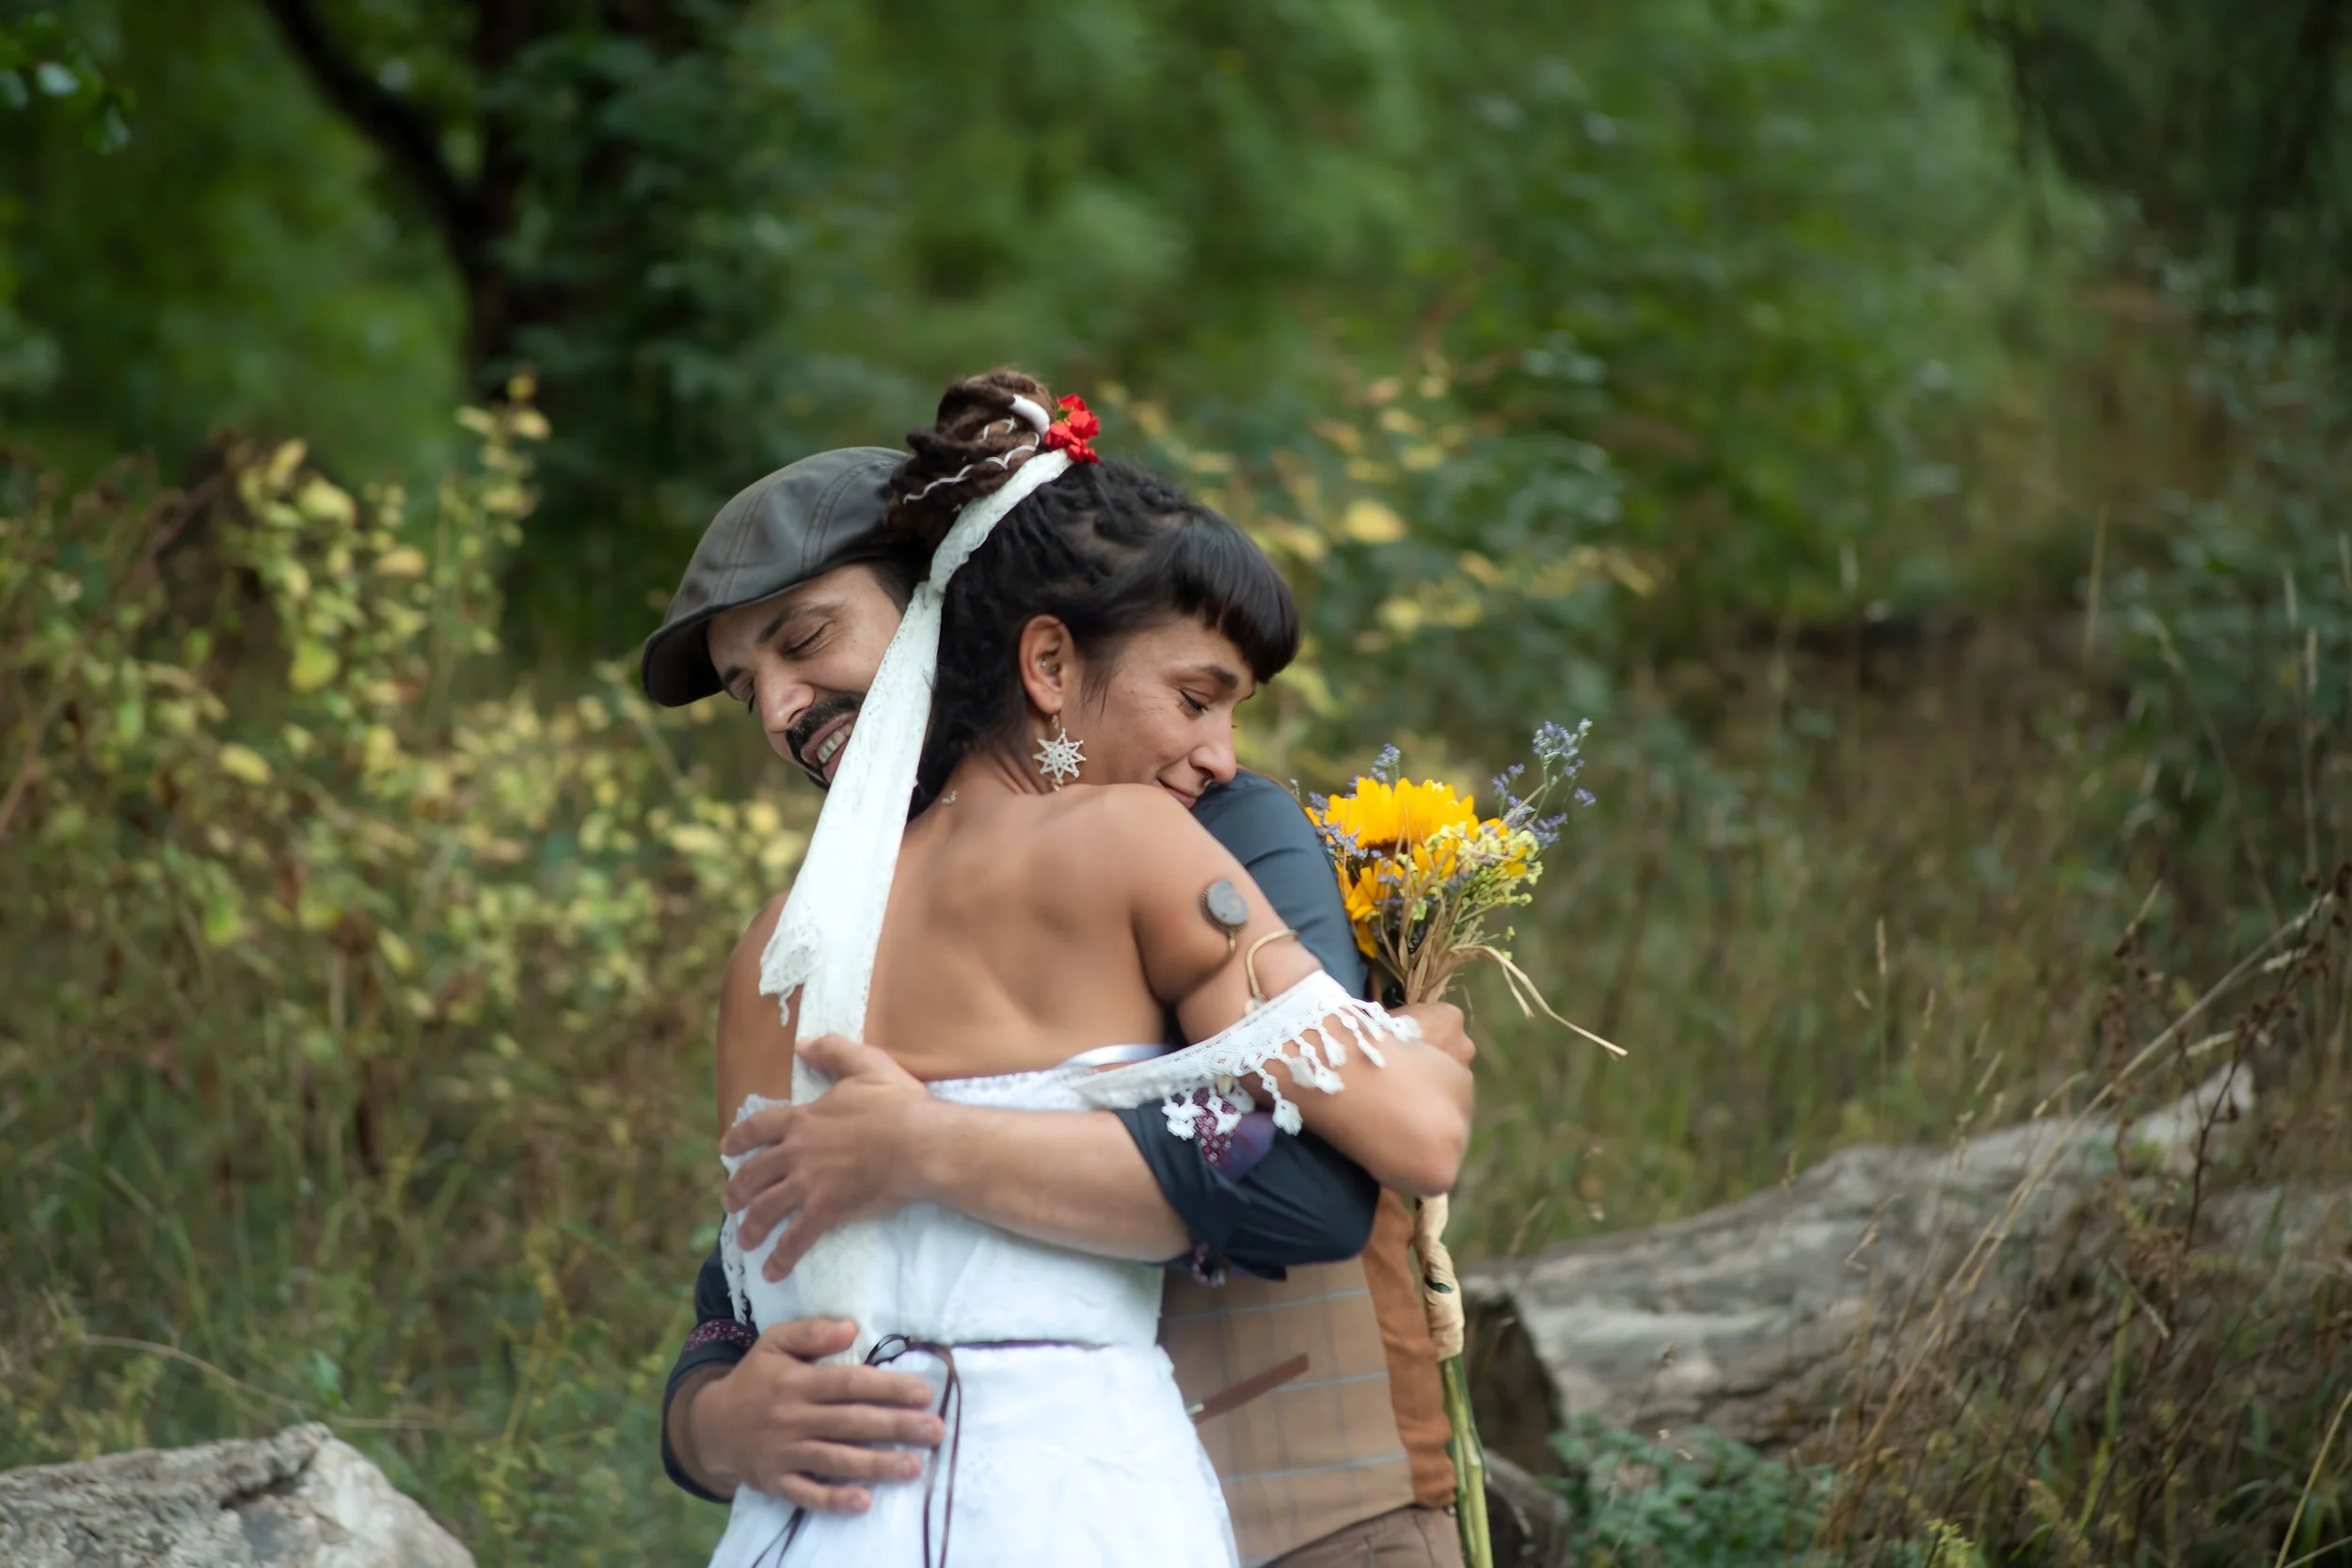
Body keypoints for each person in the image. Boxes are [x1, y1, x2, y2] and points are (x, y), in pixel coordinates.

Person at [644, 406, 1471, 1567]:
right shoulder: (1115, 841)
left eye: (805, 640)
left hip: (1240, 1500)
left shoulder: (770, 947)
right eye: (746, 688)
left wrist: (926, 1145)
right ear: (1035, 653)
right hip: (1069, 1499)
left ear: (944, 612)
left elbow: (1306, 1193)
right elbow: (747, 1267)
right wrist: (714, 1419)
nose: (779, 710)